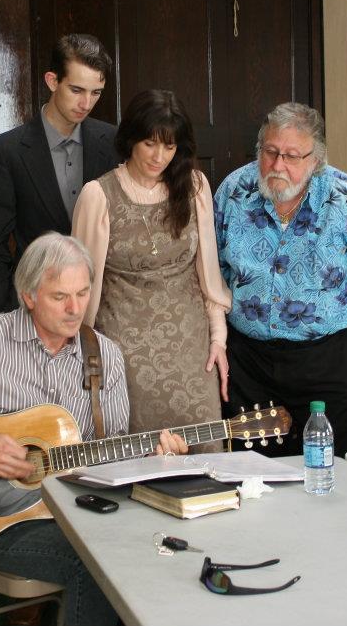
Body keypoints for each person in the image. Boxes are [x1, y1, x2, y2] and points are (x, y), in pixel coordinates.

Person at [0, 233, 187, 626]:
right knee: (97, 561)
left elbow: (109, 455)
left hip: (75, 511)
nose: (76, 309)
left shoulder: (103, 354)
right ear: (29, 295)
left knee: (150, 540)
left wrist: (152, 459)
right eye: (60, 297)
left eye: (83, 292)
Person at [214, 102, 347, 457]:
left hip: (329, 363)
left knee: (331, 477)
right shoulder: (233, 192)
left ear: (317, 159)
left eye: (292, 156)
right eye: (270, 152)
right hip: (249, 366)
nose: (277, 165)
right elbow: (212, 277)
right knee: (254, 481)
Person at [72, 90, 232, 450]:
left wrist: (218, 340)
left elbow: (209, 275)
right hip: (124, 354)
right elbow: (81, 291)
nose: (160, 157)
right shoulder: (98, 196)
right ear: (131, 138)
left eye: (170, 147)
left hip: (192, 352)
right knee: (136, 459)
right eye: (150, 144)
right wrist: (81, 355)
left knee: (205, 458)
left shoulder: (193, 186)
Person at [0, 34, 118, 317]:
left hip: (104, 306)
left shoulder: (113, 141)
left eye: (96, 92)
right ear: (52, 81)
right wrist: (6, 314)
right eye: (77, 90)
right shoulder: (7, 151)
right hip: (35, 305)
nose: (87, 103)